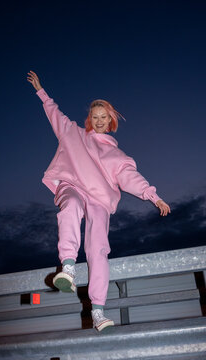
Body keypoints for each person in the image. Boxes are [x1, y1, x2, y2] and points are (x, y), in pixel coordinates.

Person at [27, 70, 171, 331]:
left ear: (111, 120)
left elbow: (130, 177)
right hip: (73, 186)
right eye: (95, 117)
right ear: (89, 120)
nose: (100, 121)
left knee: (98, 249)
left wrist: (153, 196)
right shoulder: (73, 133)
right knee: (70, 206)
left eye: (104, 117)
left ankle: (98, 311)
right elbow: (54, 113)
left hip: (100, 200)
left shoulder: (116, 154)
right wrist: (41, 91)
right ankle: (68, 267)